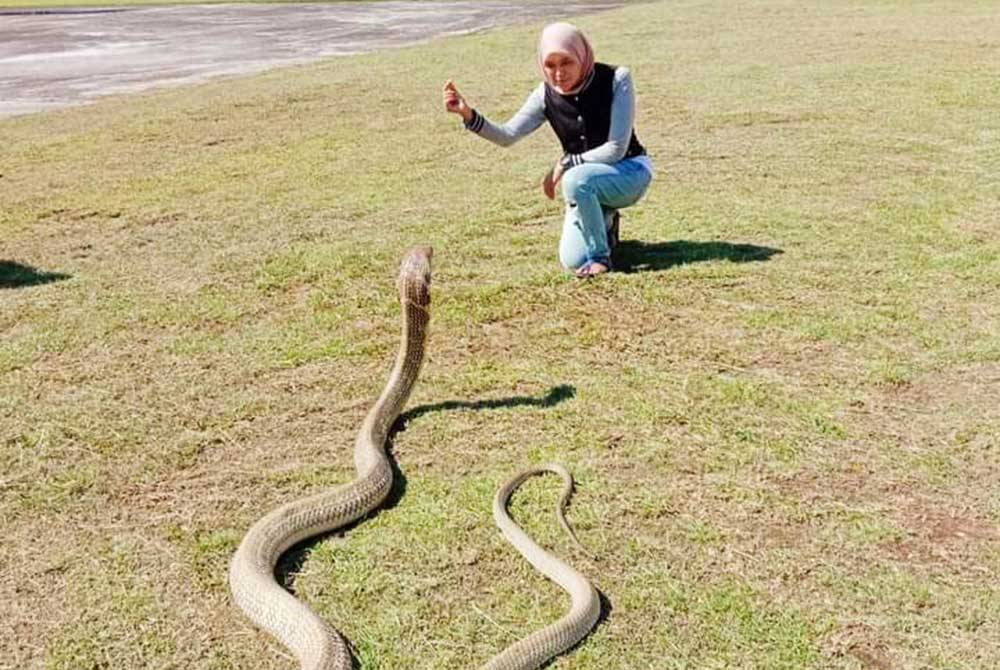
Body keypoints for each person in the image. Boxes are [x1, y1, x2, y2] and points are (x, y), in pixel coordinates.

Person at [443, 22, 653, 277]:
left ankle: (600, 258)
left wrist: (566, 163)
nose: (558, 73)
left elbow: (616, 148)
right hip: (586, 183)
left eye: (566, 62)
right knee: (572, 260)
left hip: (629, 172)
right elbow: (507, 136)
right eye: (550, 65)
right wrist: (467, 114)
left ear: (582, 55)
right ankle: (606, 222)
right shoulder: (545, 94)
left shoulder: (616, 78)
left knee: (575, 179)